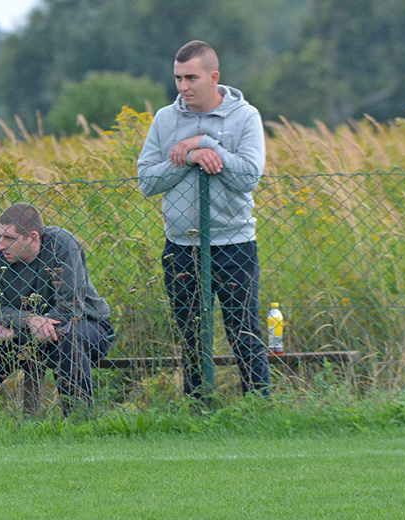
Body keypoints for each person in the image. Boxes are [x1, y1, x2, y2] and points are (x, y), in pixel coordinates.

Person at [137, 40, 270, 398]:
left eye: (191, 78)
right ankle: (199, 410)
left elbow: (249, 178)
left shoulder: (246, 117)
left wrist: (207, 143)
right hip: (181, 246)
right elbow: (147, 181)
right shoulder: (165, 119)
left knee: (244, 332)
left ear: (214, 77)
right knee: (191, 335)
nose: (183, 87)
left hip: (234, 244)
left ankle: (260, 407)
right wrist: (188, 158)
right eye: (178, 78)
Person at [0, 202, 114, 415]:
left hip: (85, 325)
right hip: (26, 334)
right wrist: (29, 322)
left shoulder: (62, 245)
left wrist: (16, 330)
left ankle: (78, 421)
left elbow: (69, 310)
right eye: (0, 235)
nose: (1, 245)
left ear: (34, 237)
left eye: (9, 238)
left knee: (68, 338)